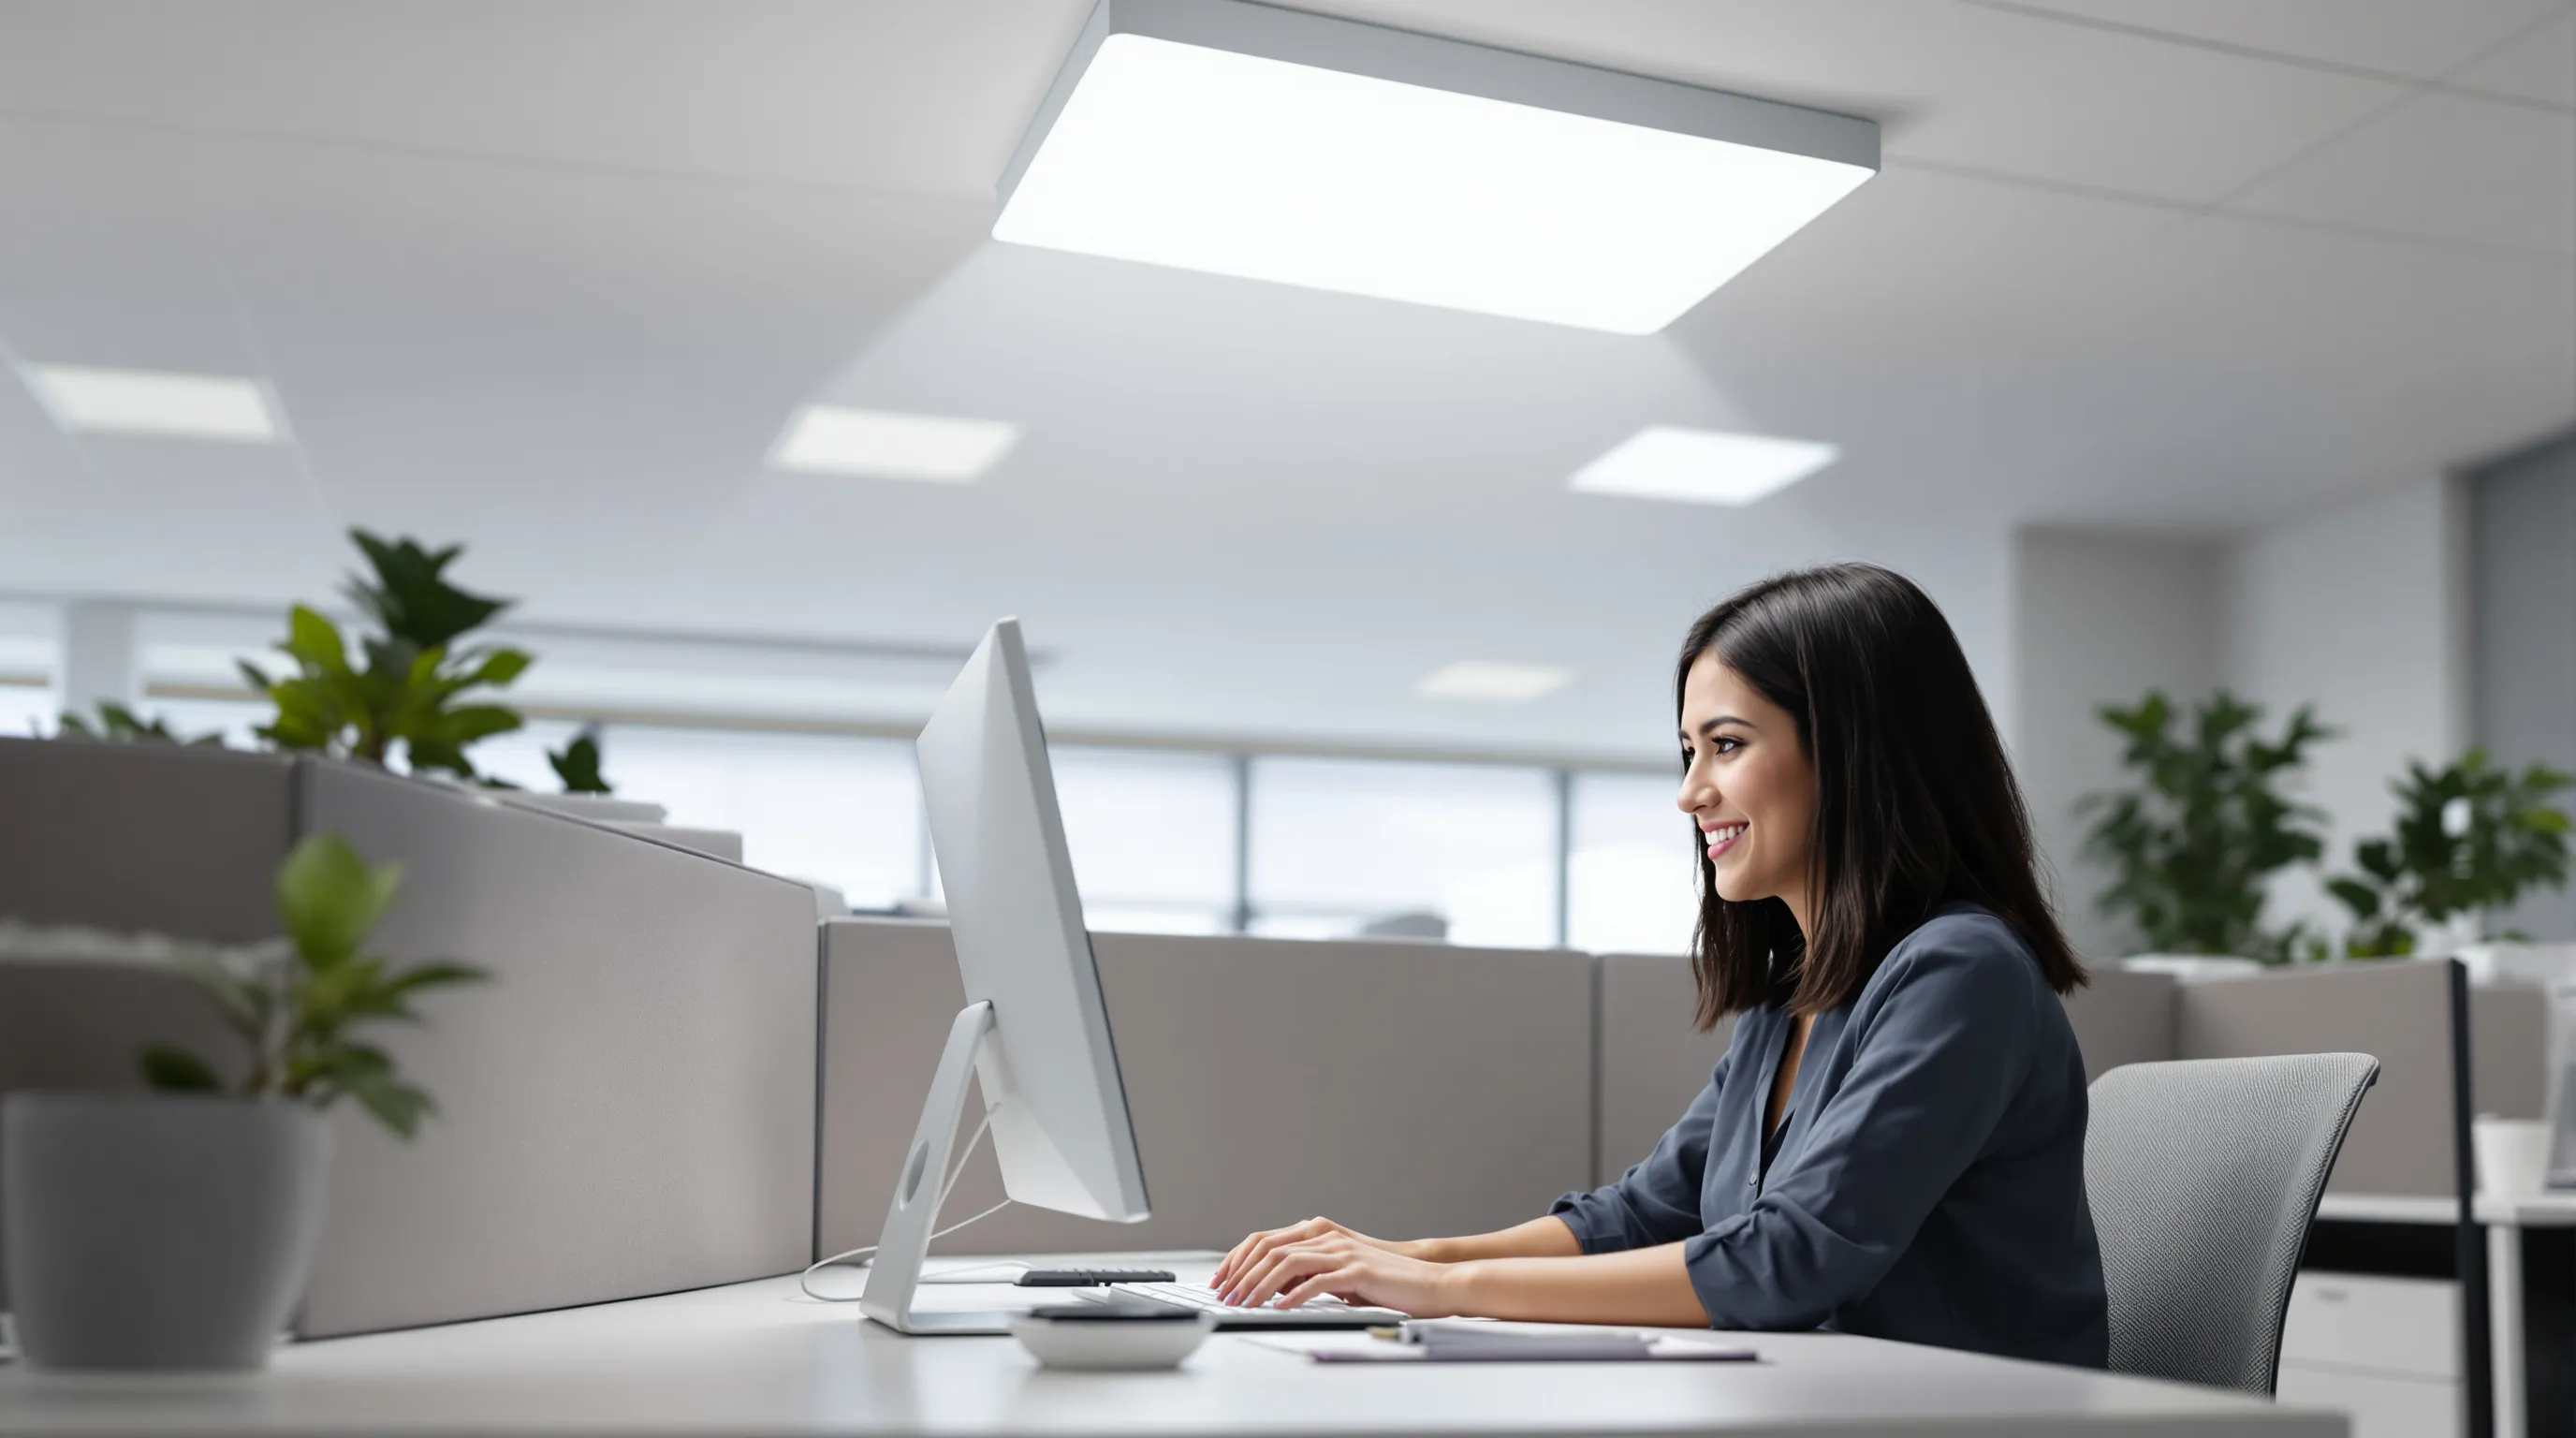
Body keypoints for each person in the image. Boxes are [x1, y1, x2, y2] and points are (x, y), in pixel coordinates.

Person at [1209, 563, 2109, 1367]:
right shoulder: (1797, 991)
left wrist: (1440, 1294)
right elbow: (1640, 1217)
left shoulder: (1961, 972)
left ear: (1852, 752)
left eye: (1726, 745)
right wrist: (1409, 1258)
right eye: (1689, 753)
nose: (1690, 793)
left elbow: (1787, 1260)